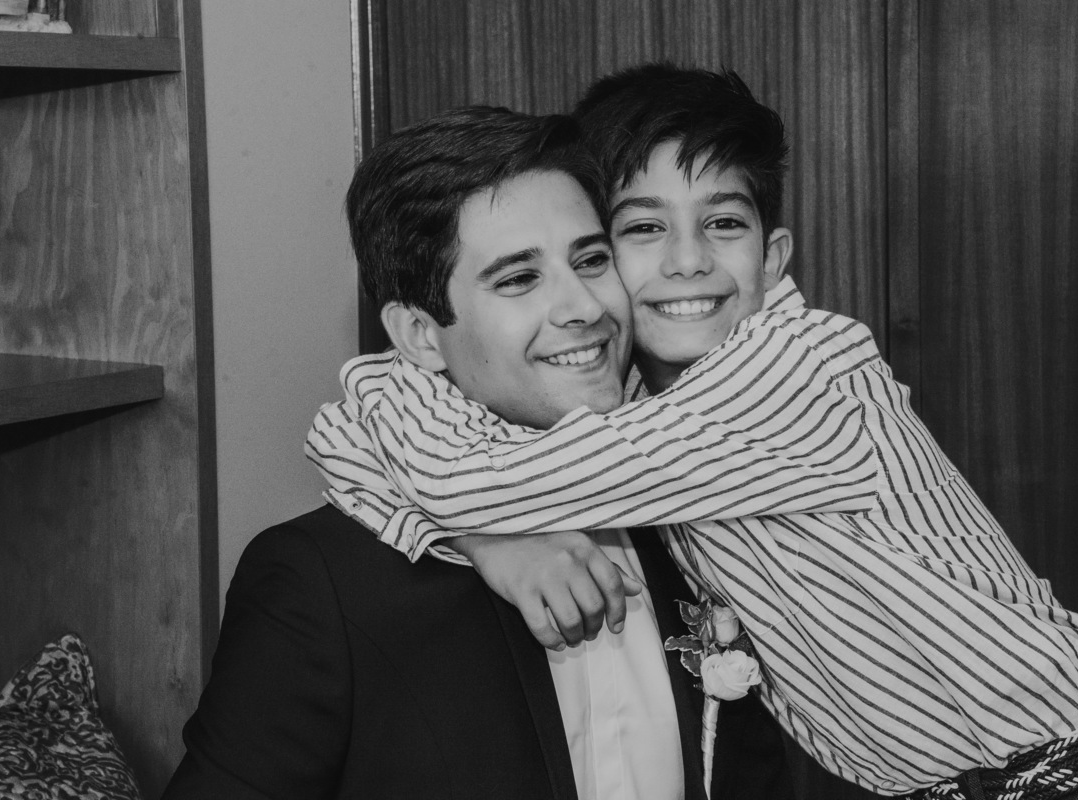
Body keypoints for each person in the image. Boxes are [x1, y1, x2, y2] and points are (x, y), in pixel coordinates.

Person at [307, 64, 1078, 799]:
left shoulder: (796, 373)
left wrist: (486, 531)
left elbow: (434, 459)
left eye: (723, 224)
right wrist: (489, 534)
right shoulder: (638, 414)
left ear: (773, 258)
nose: (688, 260)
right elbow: (354, 432)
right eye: (641, 230)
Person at [163, 107, 791, 800]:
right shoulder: (321, 585)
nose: (584, 307)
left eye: (591, 260)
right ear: (419, 334)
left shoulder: (697, 506)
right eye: (518, 279)